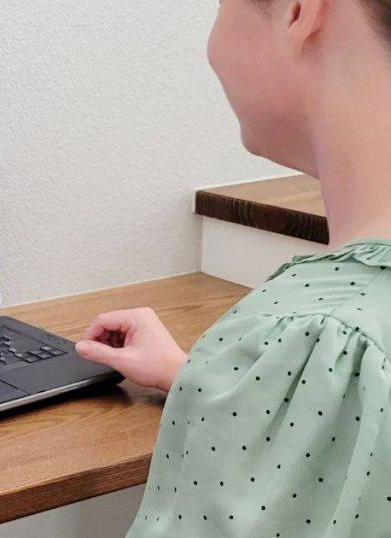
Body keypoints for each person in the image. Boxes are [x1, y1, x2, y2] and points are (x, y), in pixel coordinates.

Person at [73, 1, 391, 536]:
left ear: (299, 11)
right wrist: (213, 383)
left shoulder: (323, 334)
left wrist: (282, 368)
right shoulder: (338, 348)